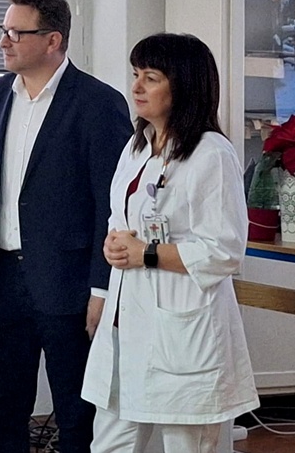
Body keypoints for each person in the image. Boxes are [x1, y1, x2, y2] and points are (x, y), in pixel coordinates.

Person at [0, 0, 132, 453]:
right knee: (4, 409)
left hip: (69, 282)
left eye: (16, 33)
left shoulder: (98, 103)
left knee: (77, 413)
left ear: (53, 40)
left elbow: (112, 205)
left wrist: (102, 288)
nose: (3, 41)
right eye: (3, 30)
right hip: (0, 278)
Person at [81, 33, 259, 453]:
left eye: (151, 77)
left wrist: (145, 253)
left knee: (187, 445)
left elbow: (224, 251)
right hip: (128, 326)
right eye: (136, 75)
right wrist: (113, 245)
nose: (137, 87)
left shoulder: (211, 154)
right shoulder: (137, 146)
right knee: (109, 445)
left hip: (184, 329)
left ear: (183, 86)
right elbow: (120, 219)